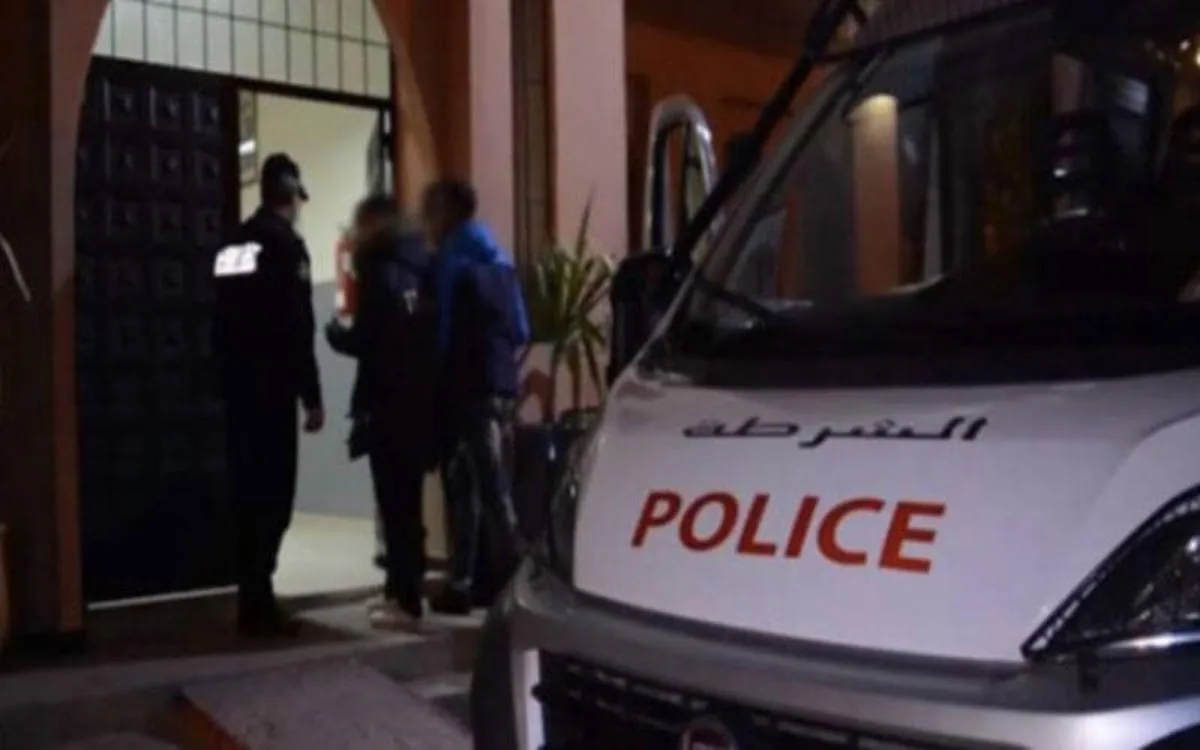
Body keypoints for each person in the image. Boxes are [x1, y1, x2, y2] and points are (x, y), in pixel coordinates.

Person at [212, 152, 324, 637]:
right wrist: (311, 395)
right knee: (274, 496)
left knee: (245, 492)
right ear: (292, 196)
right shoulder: (287, 247)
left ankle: (249, 595)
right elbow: (298, 325)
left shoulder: (233, 245)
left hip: (239, 390)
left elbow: (221, 313)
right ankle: (260, 599)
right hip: (273, 391)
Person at [325, 193, 439, 630]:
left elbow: (372, 340)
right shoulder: (420, 268)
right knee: (406, 503)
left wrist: (337, 336)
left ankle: (405, 601)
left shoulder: (379, 271)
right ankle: (401, 589)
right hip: (417, 402)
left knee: (395, 505)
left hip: (387, 404)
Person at [421, 178, 531, 615]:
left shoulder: (451, 259)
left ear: (447, 212)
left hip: (467, 389)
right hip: (502, 386)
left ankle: (515, 585)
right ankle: (464, 585)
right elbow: (521, 330)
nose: (427, 221)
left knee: (478, 490)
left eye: (431, 211)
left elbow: (442, 334)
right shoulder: (500, 258)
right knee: (481, 484)